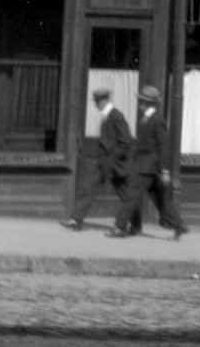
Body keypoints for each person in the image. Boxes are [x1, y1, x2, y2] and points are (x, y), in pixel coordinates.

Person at [112, 88, 185, 239]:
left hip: (147, 167)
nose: (140, 103)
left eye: (143, 101)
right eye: (140, 100)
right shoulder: (145, 118)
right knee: (160, 199)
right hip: (145, 166)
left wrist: (165, 171)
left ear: (150, 103)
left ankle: (120, 227)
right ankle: (178, 225)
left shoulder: (158, 121)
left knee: (131, 194)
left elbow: (164, 147)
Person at [68, 85, 132, 231]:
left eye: (96, 102)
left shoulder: (116, 116)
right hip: (103, 161)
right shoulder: (106, 115)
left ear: (101, 101)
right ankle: (76, 219)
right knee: (89, 187)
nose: (95, 105)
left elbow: (126, 140)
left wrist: (114, 156)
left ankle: (134, 221)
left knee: (125, 193)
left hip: (114, 163)